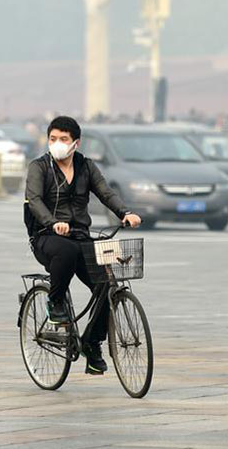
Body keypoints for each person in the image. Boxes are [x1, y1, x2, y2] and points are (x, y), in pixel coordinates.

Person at [24, 116, 141, 375]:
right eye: (53, 139)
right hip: (47, 236)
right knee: (67, 250)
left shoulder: (86, 167)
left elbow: (105, 192)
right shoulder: (39, 167)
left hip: (80, 235)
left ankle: (92, 343)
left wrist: (125, 212)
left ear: (75, 143)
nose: (57, 144)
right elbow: (34, 200)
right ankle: (55, 302)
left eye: (63, 139)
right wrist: (53, 222)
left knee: (107, 286)